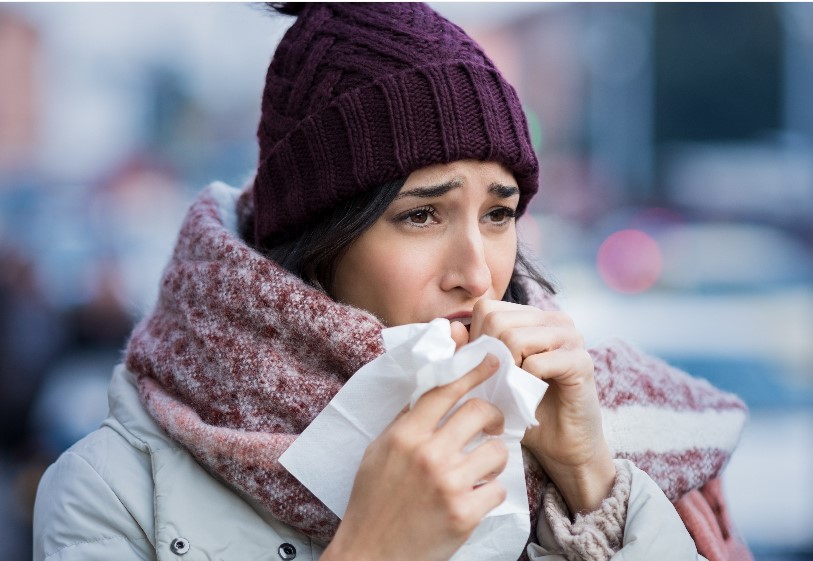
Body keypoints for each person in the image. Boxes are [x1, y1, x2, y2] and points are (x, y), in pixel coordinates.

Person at [33, 4, 753, 561]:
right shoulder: (113, 489)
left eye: (499, 213)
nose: (477, 271)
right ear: (319, 240)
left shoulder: (585, 418)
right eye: (421, 215)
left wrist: (593, 485)